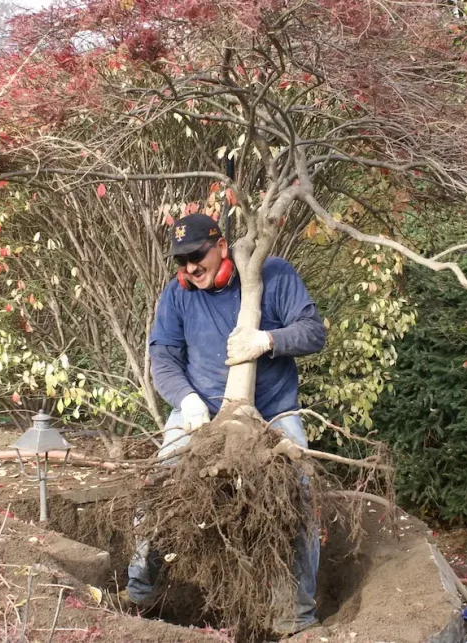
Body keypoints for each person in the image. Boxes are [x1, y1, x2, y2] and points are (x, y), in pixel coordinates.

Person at [126, 213, 326, 636]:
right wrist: (188, 401)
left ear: (221, 245)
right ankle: (140, 592)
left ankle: (295, 614)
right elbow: (162, 359)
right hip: (199, 411)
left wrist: (268, 340)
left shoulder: (273, 274)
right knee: (161, 484)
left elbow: (313, 331)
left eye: (197, 257)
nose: (190, 269)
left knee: (300, 492)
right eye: (181, 262)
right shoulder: (177, 295)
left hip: (273, 412)